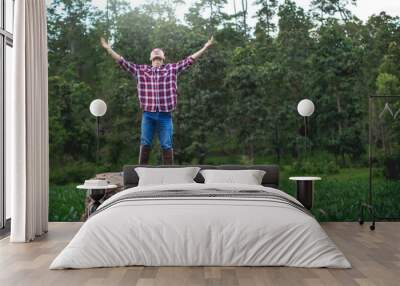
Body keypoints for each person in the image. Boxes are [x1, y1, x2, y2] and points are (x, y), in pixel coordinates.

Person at [100, 36, 214, 165]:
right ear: (151, 60)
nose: (157, 61)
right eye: (155, 59)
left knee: (166, 143)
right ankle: (142, 171)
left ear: (163, 59)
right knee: (145, 142)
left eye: (159, 58)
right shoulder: (141, 71)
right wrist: (109, 49)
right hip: (148, 114)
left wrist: (205, 47)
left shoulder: (171, 69)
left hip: (165, 115)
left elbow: (189, 60)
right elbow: (122, 62)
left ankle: (169, 173)